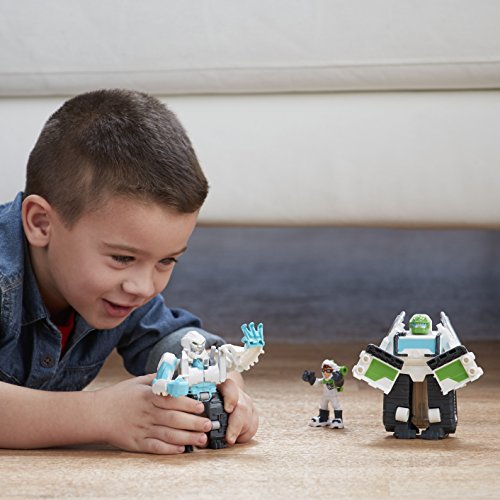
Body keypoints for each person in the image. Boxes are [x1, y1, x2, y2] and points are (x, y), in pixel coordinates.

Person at [0, 89, 258, 454]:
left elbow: (168, 336)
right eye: (122, 258)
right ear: (41, 223)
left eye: (166, 261)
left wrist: (219, 376)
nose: (143, 287)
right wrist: (100, 414)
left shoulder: (118, 291)